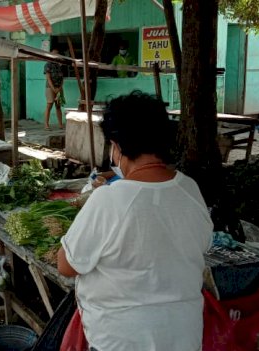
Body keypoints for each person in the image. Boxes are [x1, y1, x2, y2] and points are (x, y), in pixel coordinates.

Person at [57, 90, 213, 351]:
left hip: (121, 340)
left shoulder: (109, 200)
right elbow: (201, 245)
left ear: (116, 146)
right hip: (184, 338)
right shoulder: (190, 189)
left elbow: (66, 264)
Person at [44, 47, 64, 130]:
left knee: (58, 106)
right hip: (50, 88)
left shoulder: (59, 65)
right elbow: (48, 78)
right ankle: (46, 125)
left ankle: (60, 124)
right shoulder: (48, 64)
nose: (55, 55)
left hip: (59, 88)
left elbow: (62, 78)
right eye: (54, 53)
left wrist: (59, 88)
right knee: (49, 105)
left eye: (57, 53)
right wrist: (53, 88)